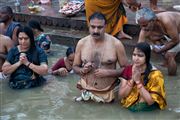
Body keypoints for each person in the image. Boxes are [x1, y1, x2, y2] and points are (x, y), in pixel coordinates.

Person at [73, 12, 128, 103]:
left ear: (105, 26)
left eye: (99, 27)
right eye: (93, 27)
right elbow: (75, 66)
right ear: (88, 25)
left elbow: (127, 69)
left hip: (108, 91)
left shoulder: (116, 44)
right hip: (85, 89)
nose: (95, 31)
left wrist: (109, 72)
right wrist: (82, 70)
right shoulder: (82, 43)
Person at [119, 42, 167, 112]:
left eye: (140, 56)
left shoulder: (155, 75)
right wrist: (133, 79)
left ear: (147, 57)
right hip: (129, 104)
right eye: (134, 55)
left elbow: (150, 101)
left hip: (147, 106)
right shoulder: (128, 69)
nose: (136, 58)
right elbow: (121, 95)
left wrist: (138, 82)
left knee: (142, 99)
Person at [136, 8, 180, 76]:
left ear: (153, 21)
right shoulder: (145, 26)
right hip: (172, 33)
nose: (142, 28)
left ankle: (172, 76)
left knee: (169, 55)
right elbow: (139, 47)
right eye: (140, 25)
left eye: (144, 25)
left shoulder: (166, 20)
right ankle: (166, 62)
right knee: (155, 39)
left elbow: (175, 40)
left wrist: (161, 50)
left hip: (176, 35)